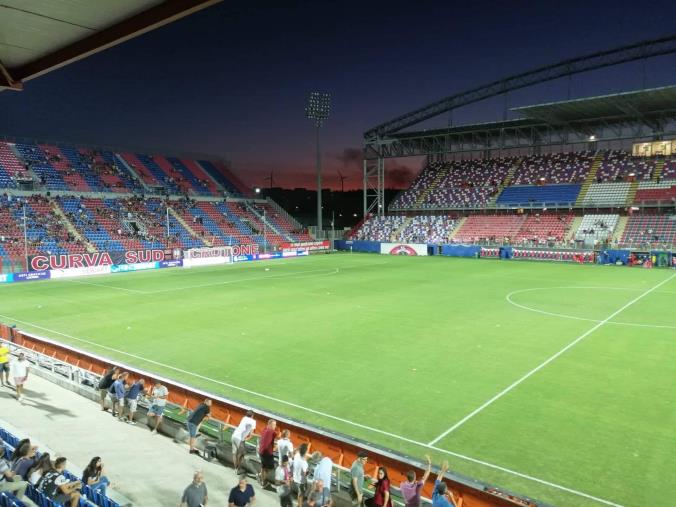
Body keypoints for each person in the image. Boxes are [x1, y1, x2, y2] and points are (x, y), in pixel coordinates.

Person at [257, 419, 276, 488]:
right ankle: (263, 481)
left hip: (261, 451)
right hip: (267, 453)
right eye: (274, 425)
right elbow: (276, 436)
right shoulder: (272, 432)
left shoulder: (264, 429)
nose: (275, 426)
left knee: (263, 467)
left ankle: (261, 477)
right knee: (269, 468)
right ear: (270, 424)